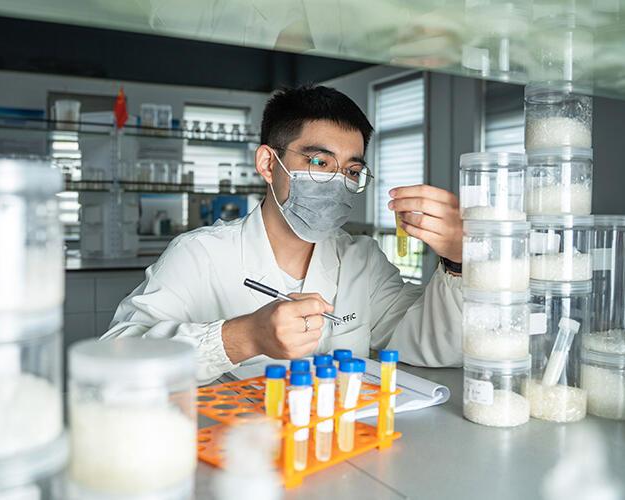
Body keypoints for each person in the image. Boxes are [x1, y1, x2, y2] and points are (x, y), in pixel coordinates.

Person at [103, 85, 463, 385]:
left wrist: (458, 258)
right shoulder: (199, 255)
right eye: (319, 162)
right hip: (235, 442)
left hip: (335, 442)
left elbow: (435, 344)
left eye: (352, 171)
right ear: (268, 164)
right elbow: (115, 361)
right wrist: (243, 337)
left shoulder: (362, 260)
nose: (338, 181)